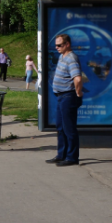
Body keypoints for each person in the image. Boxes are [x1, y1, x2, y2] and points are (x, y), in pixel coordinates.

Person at [47, 34, 83, 166]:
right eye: (55, 45)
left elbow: (78, 78)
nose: (56, 47)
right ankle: (61, 155)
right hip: (61, 96)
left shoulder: (71, 59)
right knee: (60, 126)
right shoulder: (63, 56)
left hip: (68, 96)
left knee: (69, 128)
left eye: (59, 45)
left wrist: (78, 94)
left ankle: (72, 157)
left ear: (67, 44)